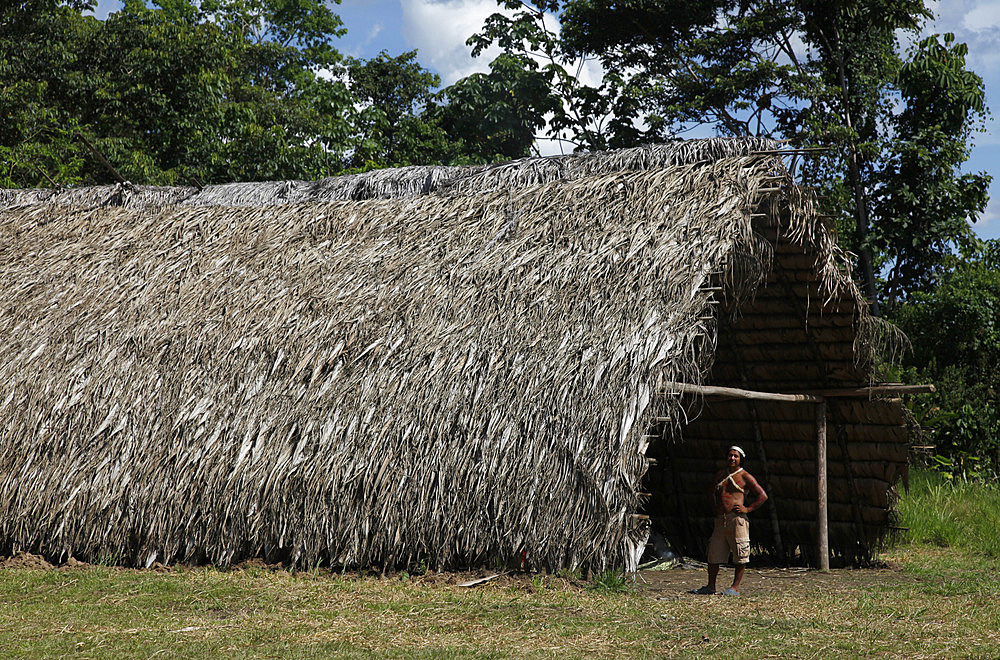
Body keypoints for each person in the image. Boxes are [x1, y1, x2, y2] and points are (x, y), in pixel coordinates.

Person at [690, 445, 768, 596]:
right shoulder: (720, 474)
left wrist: (747, 509)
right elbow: (710, 492)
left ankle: (735, 588)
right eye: (730, 455)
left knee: (740, 554)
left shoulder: (745, 476)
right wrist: (715, 509)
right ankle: (710, 586)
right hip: (721, 520)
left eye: (736, 456)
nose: (732, 458)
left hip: (737, 520)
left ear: (741, 459)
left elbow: (762, 496)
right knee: (714, 554)